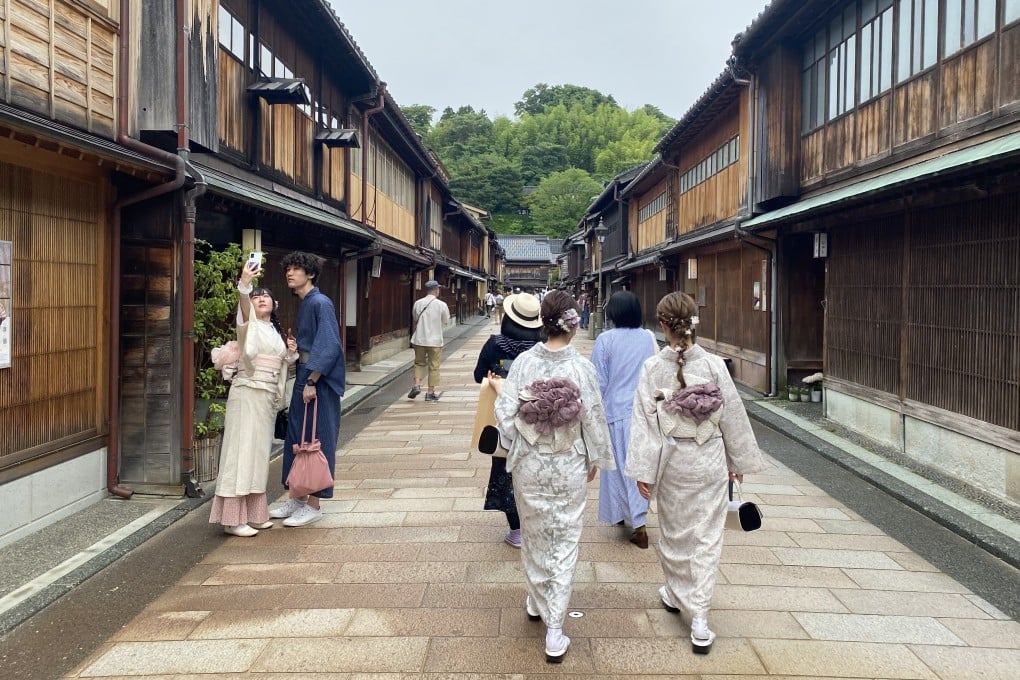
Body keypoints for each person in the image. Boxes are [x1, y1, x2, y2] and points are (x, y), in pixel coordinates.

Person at [626, 291, 766, 654]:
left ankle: (679, 594)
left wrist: (644, 471)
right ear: (693, 323)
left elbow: (645, 425)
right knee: (706, 537)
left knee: (674, 534)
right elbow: (732, 416)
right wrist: (736, 462)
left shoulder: (652, 368)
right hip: (709, 460)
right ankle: (698, 617)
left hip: (672, 463)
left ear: (663, 325)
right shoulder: (715, 365)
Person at [490, 289, 614, 664]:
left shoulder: (524, 363)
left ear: (543, 323)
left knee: (534, 534)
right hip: (569, 463)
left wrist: (521, 438)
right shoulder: (581, 368)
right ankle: (555, 628)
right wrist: (596, 456)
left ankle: (538, 599)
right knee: (564, 539)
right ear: (572, 325)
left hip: (530, 463)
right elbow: (594, 417)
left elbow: (505, 415)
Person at [209, 257, 297, 537]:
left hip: (266, 396)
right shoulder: (251, 324)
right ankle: (232, 519)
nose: (260, 299)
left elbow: (281, 363)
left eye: (265, 296)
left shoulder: (274, 331)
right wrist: (245, 284)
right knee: (240, 451)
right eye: (256, 296)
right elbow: (246, 310)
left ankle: (255, 513)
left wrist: (289, 354)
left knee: (259, 453)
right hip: (247, 392)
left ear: (275, 304)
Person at [268, 251, 346, 528]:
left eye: (296, 269)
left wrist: (312, 380)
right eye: (287, 269)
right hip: (306, 373)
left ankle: (314, 504)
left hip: (317, 379)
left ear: (310, 274)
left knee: (317, 438)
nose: (289, 273)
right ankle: (297, 497)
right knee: (297, 436)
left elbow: (330, 345)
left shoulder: (320, 302)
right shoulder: (308, 302)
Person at [472, 292, 543, 548]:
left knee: (505, 469)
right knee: (536, 470)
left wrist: (496, 378)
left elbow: (478, 375)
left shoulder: (494, 344)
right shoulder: (541, 347)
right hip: (536, 420)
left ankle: (516, 530)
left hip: (504, 421)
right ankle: (536, 525)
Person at [591, 291, 657, 548]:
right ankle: (635, 518)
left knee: (618, 468)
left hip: (615, 411)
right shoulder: (648, 337)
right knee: (639, 466)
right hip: (643, 411)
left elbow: (598, 380)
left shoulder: (605, 340)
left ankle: (633, 522)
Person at [408, 280, 451, 402]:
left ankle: (417, 385)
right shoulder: (441, 305)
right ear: (437, 290)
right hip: (435, 341)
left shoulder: (418, 303)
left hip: (419, 339)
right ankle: (430, 393)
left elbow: (415, 317)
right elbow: (446, 320)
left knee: (419, 363)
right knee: (434, 366)